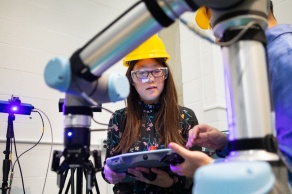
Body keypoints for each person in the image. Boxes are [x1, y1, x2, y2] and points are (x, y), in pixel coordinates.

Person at [169, 1, 292, 189]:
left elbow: (287, 165)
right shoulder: (261, 61)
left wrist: (209, 167)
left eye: (217, 26)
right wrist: (225, 144)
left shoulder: (285, 56)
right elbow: (273, 145)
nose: (218, 40)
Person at [102, 34, 199, 194]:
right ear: (131, 80)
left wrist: (170, 183)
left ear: (165, 75)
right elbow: (109, 169)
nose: (150, 79)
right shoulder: (119, 119)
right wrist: (109, 174)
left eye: (156, 71)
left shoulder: (185, 117)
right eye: (142, 73)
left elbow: (198, 174)